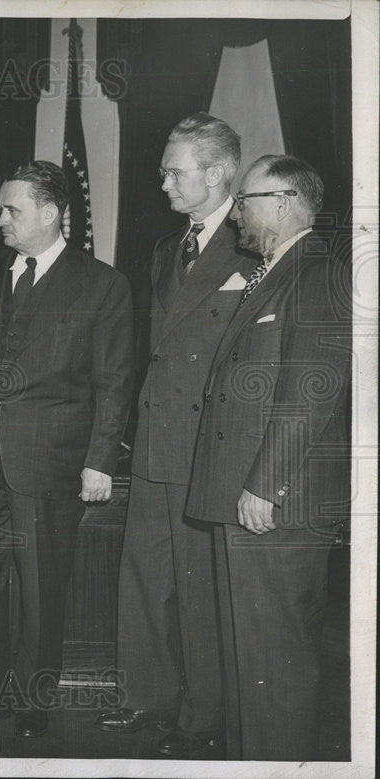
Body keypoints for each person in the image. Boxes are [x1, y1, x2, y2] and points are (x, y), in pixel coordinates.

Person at [0, 161, 134, 738]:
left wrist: (100, 459)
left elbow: (115, 381)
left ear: (50, 214)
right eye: (1, 207)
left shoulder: (103, 284)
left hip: (50, 458)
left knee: (41, 584)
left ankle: (32, 701)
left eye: (11, 210)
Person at [94, 113, 258, 758]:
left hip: (208, 445)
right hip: (158, 435)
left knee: (197, 584)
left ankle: (202, 716)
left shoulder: (252, 249)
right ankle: (145, 699)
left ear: (218, 174)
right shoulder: (167, 248)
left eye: (174, 171)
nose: (162, 183)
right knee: (144, 574)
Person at [185, 155, 350, 761]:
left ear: (281, 202)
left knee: (272, 664)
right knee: (248, 658)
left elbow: (312, 390)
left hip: (277, 503)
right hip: (249, 495)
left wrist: (266, 487)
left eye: (246, 201)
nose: (237, 216)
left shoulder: (318, 274)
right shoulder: (277, 271)